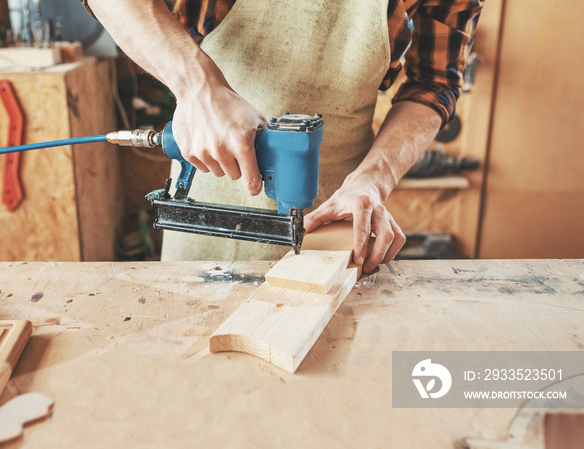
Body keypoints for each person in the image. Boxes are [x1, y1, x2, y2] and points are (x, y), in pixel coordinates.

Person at [83, 0, 483, 273]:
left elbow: (434, 82)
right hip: (206, 192)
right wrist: (197, 87)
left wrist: (374, 179)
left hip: (334, 213)